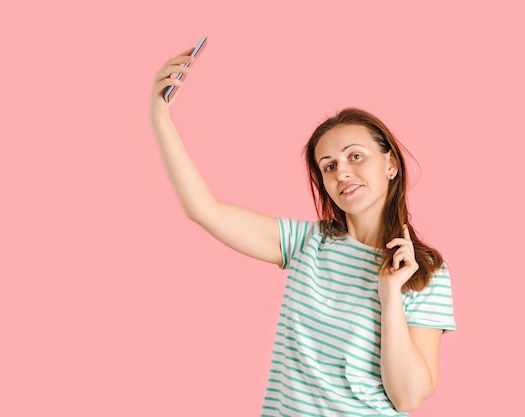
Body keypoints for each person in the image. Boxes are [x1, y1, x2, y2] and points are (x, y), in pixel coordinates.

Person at [151, 48, 456, 417]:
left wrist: (390, 294)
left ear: (390, 163)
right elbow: (204, 210)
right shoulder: (305, 243)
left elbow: (408, 398)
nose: (341, 172)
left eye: (355, 156)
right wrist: (160, 116)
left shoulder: (425, 272)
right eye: (329, 166)